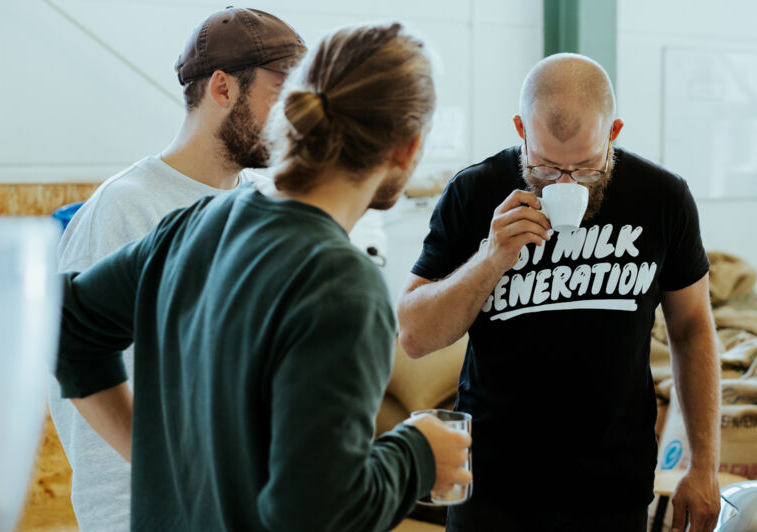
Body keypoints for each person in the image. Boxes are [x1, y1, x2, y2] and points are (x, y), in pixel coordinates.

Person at [53, 22, 472, 531]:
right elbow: (315, 512)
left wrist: (161, 458)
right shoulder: (342, 282)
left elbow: (67, 325)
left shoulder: (193, 225)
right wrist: (416, 455)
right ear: (407, 148)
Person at [397, 53, 722, 532]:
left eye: (587, 168)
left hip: (616, 484)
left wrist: (704, 466)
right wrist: (490, 259)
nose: (567, 183)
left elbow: (693, 328)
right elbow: (414, 336)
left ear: (613, 132)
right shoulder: (473, 193)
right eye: (546, 167)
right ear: (520, 130)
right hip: (493, 488)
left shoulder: (662, 197)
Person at [48, 8, 306, 531]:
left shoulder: (259, 203)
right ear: (222, 88)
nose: (295, 117)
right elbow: (78, 381)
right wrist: (167, 481)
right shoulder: (125, 209)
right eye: (281, 93)